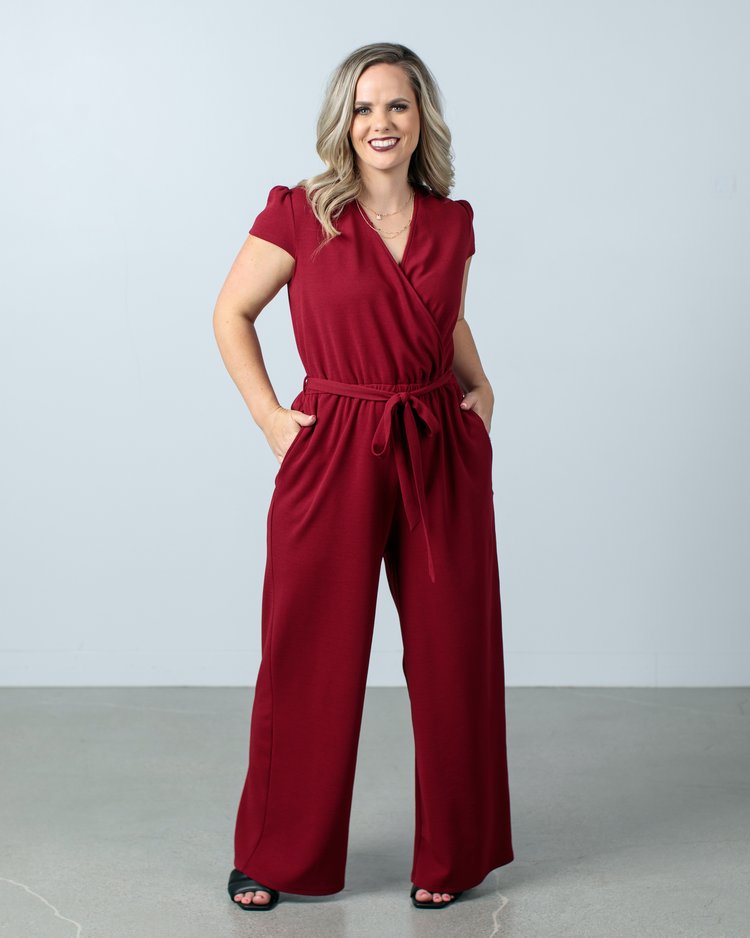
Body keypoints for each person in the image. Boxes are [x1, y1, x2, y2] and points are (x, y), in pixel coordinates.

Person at [213, 41, 514, 912]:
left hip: (435, 439)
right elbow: (231, 312)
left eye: (397, 105)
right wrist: (272, 418)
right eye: (364, 107)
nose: (381, 122)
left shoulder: (452, 224)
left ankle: (453, 855)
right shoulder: (300, 212)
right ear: (343, 121)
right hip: (335, 441)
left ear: (422, 119)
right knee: (309, 652)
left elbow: (442, 320)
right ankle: (276, 854)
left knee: (456, 653)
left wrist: (481, 388)